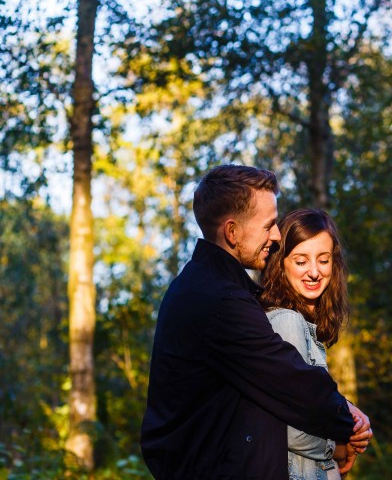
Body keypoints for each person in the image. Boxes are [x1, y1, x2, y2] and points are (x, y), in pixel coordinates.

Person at [140, 165, 371, 479]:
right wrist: (347, 428)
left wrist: (342, 410)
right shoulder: (219, 300)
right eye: (268, 226)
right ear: (232, 232)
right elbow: (290, 379)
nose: (276, 236)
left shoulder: (207, 287)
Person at [259, 209, 362, 479]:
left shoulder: (305, 327)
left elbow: (310, 404)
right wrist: (339, 447)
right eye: (301, 261)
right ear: (281, 263)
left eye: (324, 260)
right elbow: (289, 430)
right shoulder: (286, 322)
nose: (315, 272)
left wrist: (349, 414)